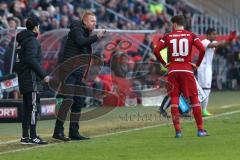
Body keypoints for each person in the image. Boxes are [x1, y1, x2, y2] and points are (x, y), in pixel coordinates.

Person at [52, 11, 106, 141]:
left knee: (78, 102)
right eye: (92, 21)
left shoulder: (85, 32)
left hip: (78, 73)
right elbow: (81, 42)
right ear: (85, 21)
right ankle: (58, 132)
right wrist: (97, 37)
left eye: (95, 21)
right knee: (68, 100)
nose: (95, 24)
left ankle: (74, 132)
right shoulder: (76, 29)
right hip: (69, 71)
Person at [154, 15, 207, 138]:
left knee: (174, 99)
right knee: (194, 99)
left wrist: (164, 63)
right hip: (187, 70)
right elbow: (202, 49)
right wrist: (197, 64)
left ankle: (178, 131)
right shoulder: (191, 35)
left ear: (175, 24)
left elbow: (156, 51)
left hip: (173, 71)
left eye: (172, 24)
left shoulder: (168, 36)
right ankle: (200, 130)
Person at [15, 17, 50, 144]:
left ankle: (25, 136)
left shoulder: (21, 42)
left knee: (27, 108)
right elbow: (31, 59)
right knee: (33, 108)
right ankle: (33, 136)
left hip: (23, 79)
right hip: (32, 79)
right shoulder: (32, 41)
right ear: (36, 28)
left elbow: (18, 63)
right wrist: (43, 75)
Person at [197, 28, 236, 116]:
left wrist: (230, 40)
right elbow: (215, 44)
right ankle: (202, 110)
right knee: (205, 89)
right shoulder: (205, 41)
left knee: (205, 90)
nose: (215, 36)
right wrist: (227, 40)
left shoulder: (212, 43)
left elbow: (221, 44)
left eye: (216, 34)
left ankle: (201, 109)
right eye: (213, 34)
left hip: (207, 68)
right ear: (208, 35)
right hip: (203, 69)